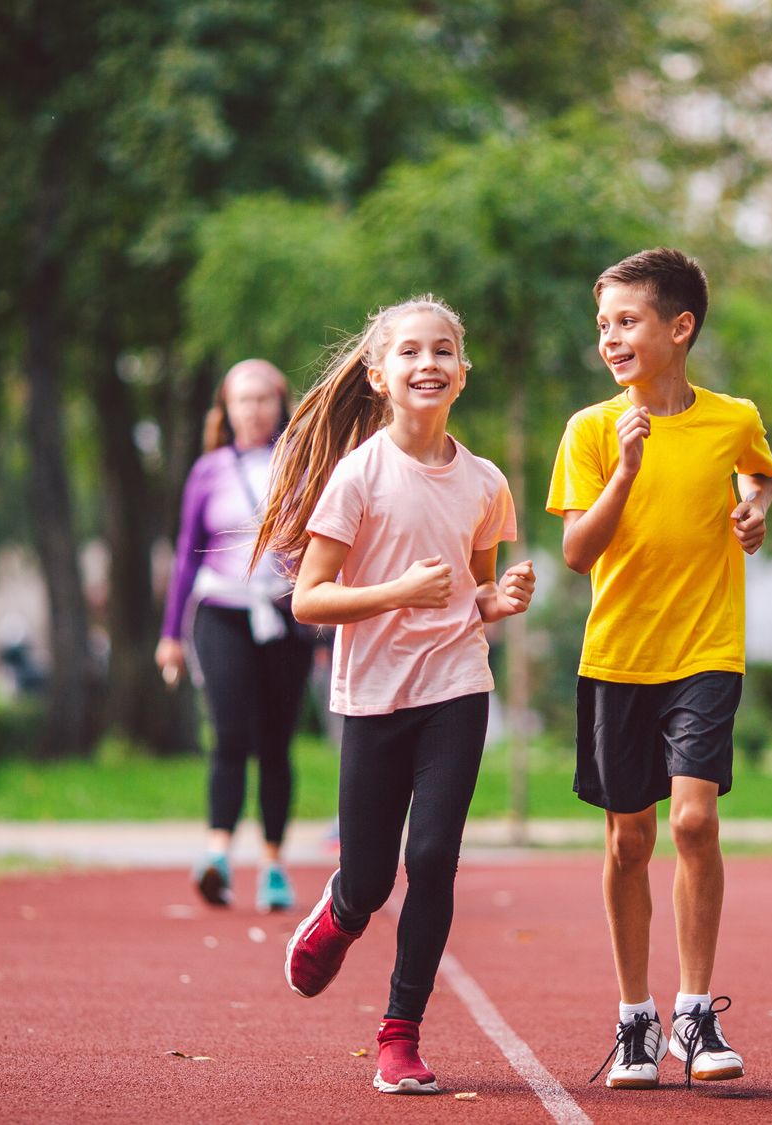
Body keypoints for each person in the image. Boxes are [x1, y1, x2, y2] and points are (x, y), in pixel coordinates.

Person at [264, 296, 533, 1096]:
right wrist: (398, 592)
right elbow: (309, 599)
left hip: (457, 686)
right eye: (410, 351)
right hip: (374, 694)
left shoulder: (486, 482)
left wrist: (498, 600)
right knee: (372, 878)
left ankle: (399, 1033)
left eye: (443, 350)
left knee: (434, 858)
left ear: (463, 373)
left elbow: (472, 593)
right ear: (380, 376)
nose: (428, 363)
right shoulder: (358, 475)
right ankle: (342, 911)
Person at [547, 248, 772, 1090]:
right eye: (602, 324)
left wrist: (753, 509)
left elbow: (761, 472)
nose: (609, 337)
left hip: (706, 649)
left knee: (692, 822)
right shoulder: (591, 430)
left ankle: (694, 1010)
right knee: (629, 838)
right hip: (619, 655)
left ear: (680, 328)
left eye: (627, 320)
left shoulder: (732, 417)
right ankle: (634, 1018)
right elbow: (578, 551)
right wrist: (628, 471)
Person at [157, 359, 316, 913]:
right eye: (242, 400)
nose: (253, 410)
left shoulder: (304, 464)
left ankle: (273, 865)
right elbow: (186, 554)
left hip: (285, 615)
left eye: (263, 398)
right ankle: (218, 856)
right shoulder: (208, 470)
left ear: (281, 404)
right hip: (221, 613)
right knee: (228, 733)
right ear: (226, 409)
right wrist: (170, 634)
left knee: (276, 742)